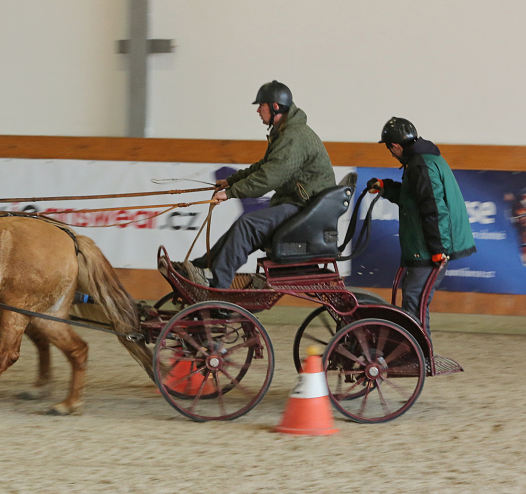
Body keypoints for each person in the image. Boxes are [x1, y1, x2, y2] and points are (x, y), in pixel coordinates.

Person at [181, 80, 336, 288]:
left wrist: (231, 192)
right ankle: (202, 267)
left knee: (247, 225)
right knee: (245, 224)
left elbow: (269, 177)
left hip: (304, 209)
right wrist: (230, 181)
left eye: (260, 105)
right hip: (301, 205)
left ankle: (218, 285)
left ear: (275, 106)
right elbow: (264, 166)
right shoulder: (287, 132)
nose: (257, 110)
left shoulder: (293, 137)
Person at [370, 117, 476, 331]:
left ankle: (417, 356)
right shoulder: (423, 159)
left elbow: (434, 209)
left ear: (395, 146)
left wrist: (438, 249)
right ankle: (416, 354)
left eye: (390, 149)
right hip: (428, 245)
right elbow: (413, 199)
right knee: (414, 298)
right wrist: (385, 187)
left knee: (415, 299)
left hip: (428, 248)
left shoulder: (420, 165)